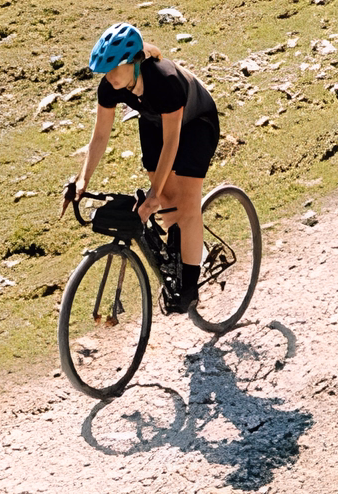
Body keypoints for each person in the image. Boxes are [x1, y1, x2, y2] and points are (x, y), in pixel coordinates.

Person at [64, 22, 221, 312]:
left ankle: (189, 286)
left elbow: (172, 143)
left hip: (196, 123)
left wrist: (153, 193)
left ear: (134, 62)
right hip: (153, 121)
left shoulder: (164, 80)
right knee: (164, 200)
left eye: (114, 68)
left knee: (185, 202)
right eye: (105, 71)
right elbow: (100, 136)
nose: (109, 76)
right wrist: (82, 179)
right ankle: (178, 257)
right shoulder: (110, 87)